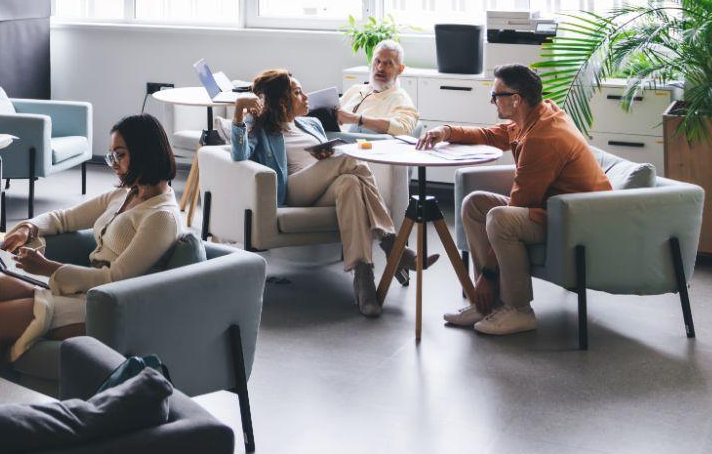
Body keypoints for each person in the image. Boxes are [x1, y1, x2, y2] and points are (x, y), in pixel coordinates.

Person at [0, 114, 183, 406]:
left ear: (145, 152)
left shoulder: (162, 217)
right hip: (82, 289)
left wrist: (48, 268)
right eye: (112, 155)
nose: (113, 163)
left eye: (121, 155)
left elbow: (115, 279)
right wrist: (29, 227)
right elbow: (65, 217)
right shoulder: (126, 194)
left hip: (107, 306)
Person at [419, 63, 612, 336]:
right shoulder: (535, 115)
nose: (492, 101)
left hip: (576, 220)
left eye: (496, 95)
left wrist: (487, 275)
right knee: (474, 204)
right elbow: (491, 135)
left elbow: (518, 206)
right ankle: (488, 303)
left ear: (516, 100)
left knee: (501, 218)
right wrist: (446, 131)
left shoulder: (543, 137)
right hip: (552, 210)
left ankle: (518, 309)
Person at [231, 69, 396, 317]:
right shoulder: (261, 127)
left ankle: (364, 282)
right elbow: (239, 155)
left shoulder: (312, 123)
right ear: (281, 100)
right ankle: (391, 241)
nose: (306, 96)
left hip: (323, 187)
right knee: (350, 161)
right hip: (295, 191)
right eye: (297, 92)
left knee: (350, 182)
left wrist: (326, 156)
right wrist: (238, 112)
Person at [338, 39, 420, 136]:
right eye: (377, 61)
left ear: (400, 69)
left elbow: (403, 129)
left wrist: (356, 119)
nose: (380, 68)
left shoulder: (400, 99)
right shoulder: (356, 89)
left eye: (388, 63)